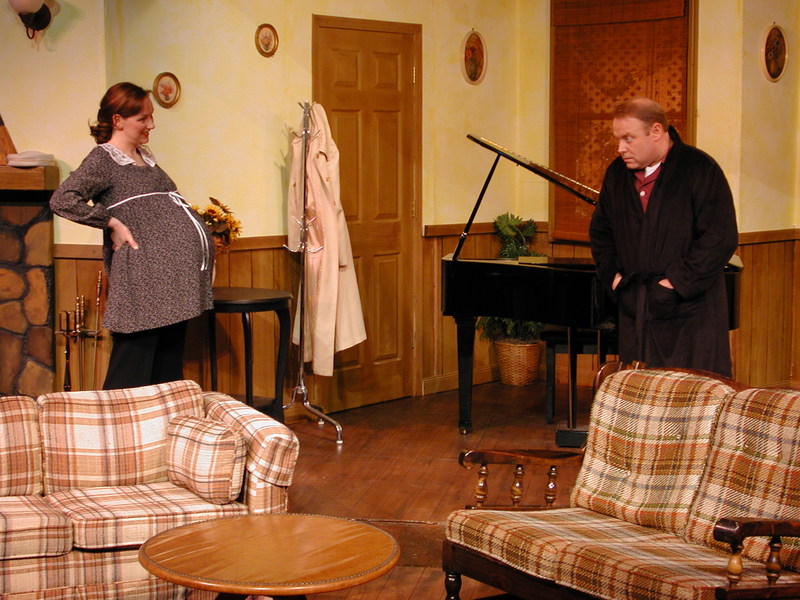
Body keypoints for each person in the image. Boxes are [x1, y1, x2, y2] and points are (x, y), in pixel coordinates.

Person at [50, 82, 214, 389]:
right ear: (118, 120)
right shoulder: (103, 159)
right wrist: (111, 222)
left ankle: (161, 418)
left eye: (151, 116)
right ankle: (118, 420)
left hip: (172, 278)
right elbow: (62, 200)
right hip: (143, 277)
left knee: (167, 369)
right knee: (133, 363)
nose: (151, 124)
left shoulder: (144, 157)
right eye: (142, 118)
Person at [589, 98, 738, 377]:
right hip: (636, 306)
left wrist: (674, 283)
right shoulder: (616, 174)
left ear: (656, 131)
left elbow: (720, 237)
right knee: (640, 389)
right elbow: (601, 232)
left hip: (690, 313)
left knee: (693, 390)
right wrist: (614, 277)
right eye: (618, 139)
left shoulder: (699, 169)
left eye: (628, 138)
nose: (620, 147)